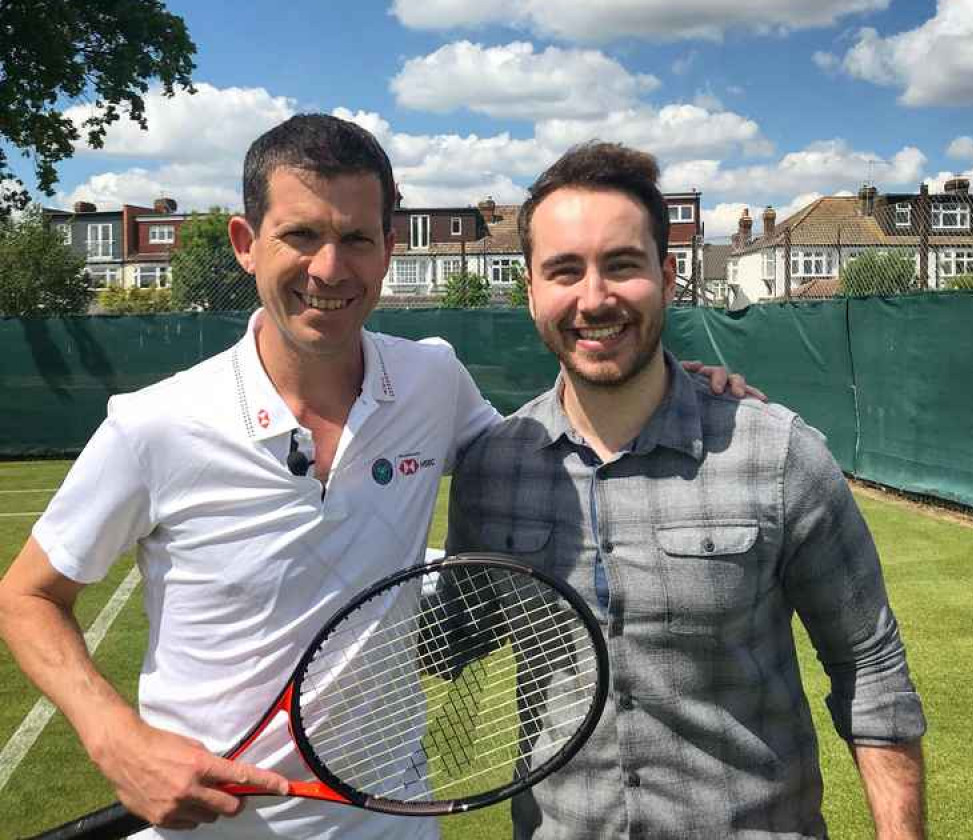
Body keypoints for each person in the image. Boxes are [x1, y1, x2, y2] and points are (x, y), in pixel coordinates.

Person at [0, 116, 750, 839]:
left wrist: (665, 382)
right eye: (301, 235)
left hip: (394, 823)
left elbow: (545, 445)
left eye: (356, 238)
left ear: (389, 247)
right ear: (245, 244)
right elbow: (27, 595)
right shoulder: (153, 424)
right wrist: (114, 738)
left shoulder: (431, 379)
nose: (330, 269)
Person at [447, 142, 927, 840]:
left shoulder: (780, 454)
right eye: (563, 271)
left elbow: (870, 667)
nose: (594, 297)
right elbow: (450, 640)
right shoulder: (492, 469)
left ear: (667, 278)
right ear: (530, 291)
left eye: (621, 265)